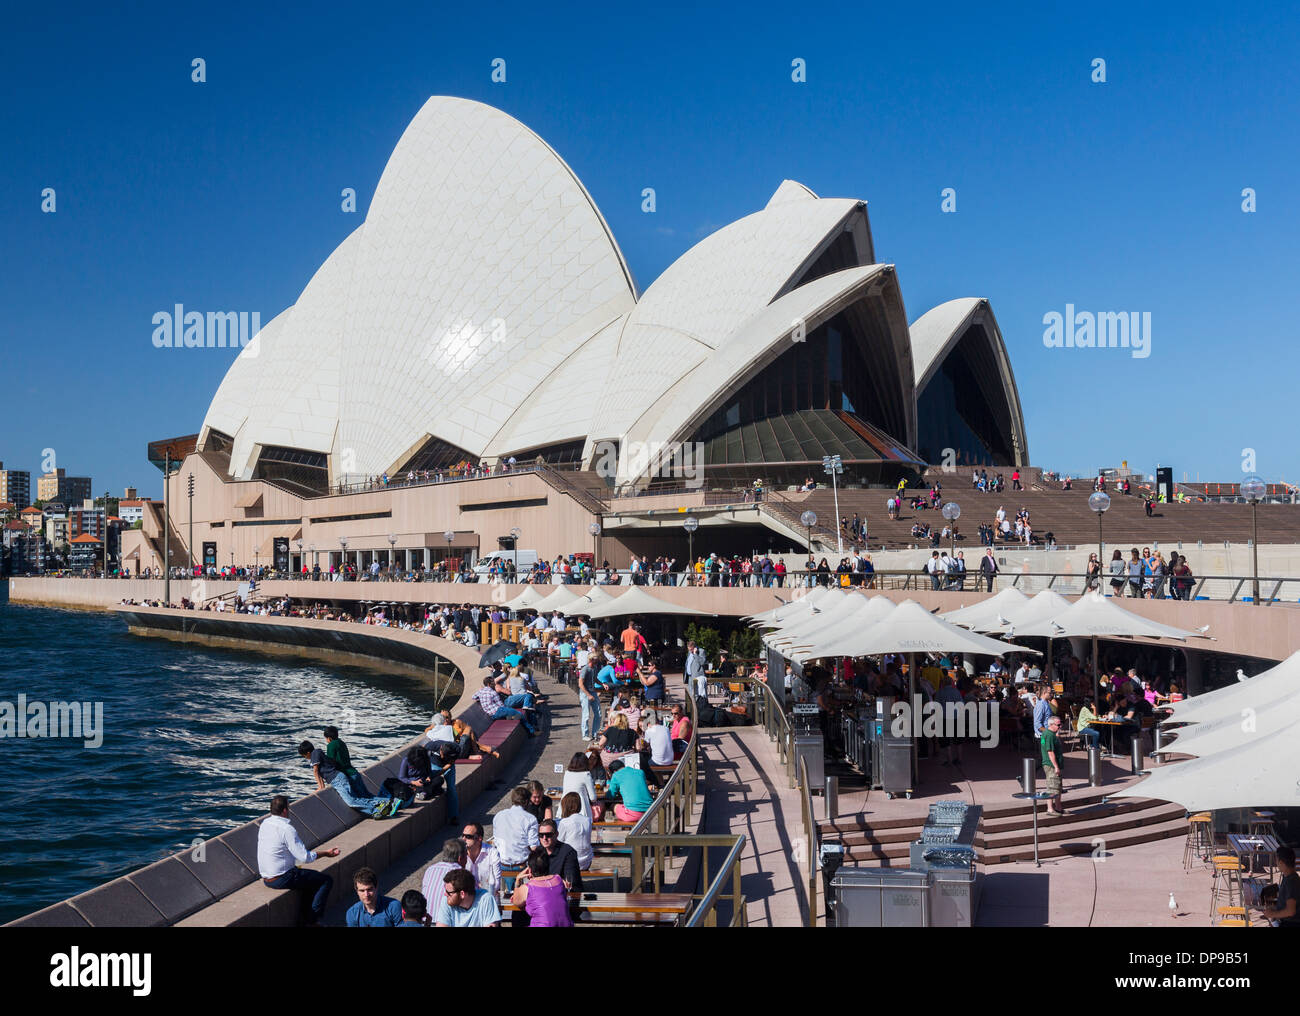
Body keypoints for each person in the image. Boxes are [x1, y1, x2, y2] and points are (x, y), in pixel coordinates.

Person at [257, 795, 340, 926]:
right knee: (325, 880)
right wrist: (326, 853)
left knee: (307, 882)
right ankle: (313, 922)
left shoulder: (264, 824)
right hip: (282, 878)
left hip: (267, 878)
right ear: (285, 810)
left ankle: (304, 920)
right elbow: (304, 857)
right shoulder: (287, 829)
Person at [299, 739, 396, 818]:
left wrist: (320, 787)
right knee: (355, 799)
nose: (305, 758)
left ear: (308, 752)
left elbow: (315, 771)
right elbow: (320, 772)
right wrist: (321, 786)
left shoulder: (315, 753)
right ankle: (380, 807)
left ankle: (378, 806)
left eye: (304, 756)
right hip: (338, 778)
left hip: (337, 779)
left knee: (351, 801)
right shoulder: (318, 753)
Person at [510, 847, 573, 927]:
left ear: (529, 870)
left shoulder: (528, 888)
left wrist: (517, 880)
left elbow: (516, 902)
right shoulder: (558, 880)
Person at [436, 867, 503, 927]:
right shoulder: (447, 901)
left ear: (462, 894)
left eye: (449, 892)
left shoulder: (485, 899)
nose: (445, 894)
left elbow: (491, 925)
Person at [493, 785, 540, 865]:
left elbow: (496, 841)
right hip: (522, 865)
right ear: (526, 802)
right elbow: (534, 847)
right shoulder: (530, 819)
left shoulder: (498, 815)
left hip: (500, 865)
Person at [1260, 846, 1300, 927]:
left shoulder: (1291, 882)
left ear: (1281, 862)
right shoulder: (1288, 877)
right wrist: (1275, 908)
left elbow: (1290, 911)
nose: (1276, 863)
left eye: (1276, 861)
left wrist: (1273, 914)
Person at [421, 837, 468, 906]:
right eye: (466, 855)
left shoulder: (430, 869)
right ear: (460, 858)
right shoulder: (462, 874)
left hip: (425, 912)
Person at [538, 819, 582, 889]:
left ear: (557, 834)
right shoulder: (538, 851)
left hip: (565, 892)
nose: (544, 838)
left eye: (548, 835)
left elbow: (570, 882)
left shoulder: (568, 852)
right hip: (544, 890)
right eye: (541, 835)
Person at [460, 821, 501, 894]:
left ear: (479, 838)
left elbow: (496, 884)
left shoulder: (492, 853)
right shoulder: (460, 854)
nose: (463, 839)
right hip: (467, 896)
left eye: (468, 837)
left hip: (486, 896)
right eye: (463, 835)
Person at [557, 792, 594, 870]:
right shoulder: (588, 820)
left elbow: (559, 841)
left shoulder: (565, 822)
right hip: (586, 861)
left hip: (570, 862)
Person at [562, 751, 602, 823]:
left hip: (565, 808)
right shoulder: (586, 774)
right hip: (581, 810)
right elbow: (593, 798)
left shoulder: (567, 773)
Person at [1041, 715, 1065, 816]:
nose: (1060, 726)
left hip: (1052, 764)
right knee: (1052, 787)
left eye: (1061, 724)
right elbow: (1050, 752)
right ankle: (1050, 809)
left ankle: (1058, 807)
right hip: (1051, 765)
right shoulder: (1049, 735)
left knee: (1057, 786)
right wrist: (1056, 766)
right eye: (1058, 725)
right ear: (1051, 724)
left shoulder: (1049, 734)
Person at [579, 653, 601, 741]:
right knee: (586, 714)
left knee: (598, 713)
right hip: (585, 693)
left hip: (592, 691)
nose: (597, 660)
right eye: (596, 659)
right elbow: (580, 684)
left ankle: (595, 733)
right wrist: (588, 695)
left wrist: (602, 684)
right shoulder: (585, 669)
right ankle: (585, 734)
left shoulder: (594, 668)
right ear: (591, 660)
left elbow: (595, 678)